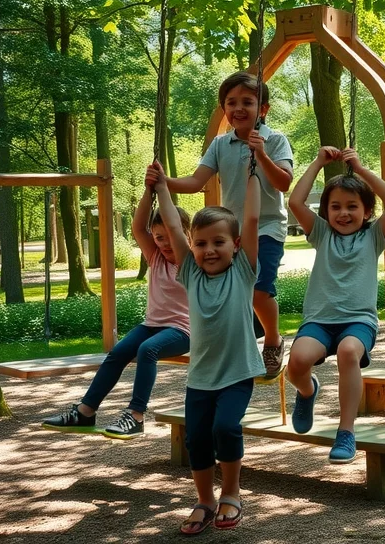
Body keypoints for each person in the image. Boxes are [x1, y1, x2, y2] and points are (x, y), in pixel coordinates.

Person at [150, 160, 265, 534]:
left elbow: (250, 220)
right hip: (200, 376)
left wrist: (252, 174)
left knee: (226, 427)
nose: (209, 250)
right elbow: (171, 225)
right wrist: (162, 187)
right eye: (200, 243)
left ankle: (231, 492)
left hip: (236, 372)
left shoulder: (244, 270)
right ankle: (205, 500)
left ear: (235, 246)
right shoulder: (190, 273)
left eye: (219, 242)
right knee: (197, 437)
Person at [164, 71, 293, 380]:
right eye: (231, 102)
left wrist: (261, 153)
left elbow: (284, 182)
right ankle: (243, 338)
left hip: (267, 227)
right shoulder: (220, 144)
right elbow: (196, 182)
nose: (238, 108)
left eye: (247, 102)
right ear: (224, 108)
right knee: (230, 291)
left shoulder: (274, 140)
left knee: (259, 289)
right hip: (230, 231)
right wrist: (163, 181)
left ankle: (273, 341)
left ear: (263, 109)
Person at [41, 189, 191, 440]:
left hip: (184, 330)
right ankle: (85, 411)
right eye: (158, 237)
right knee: (119, 352)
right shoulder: (155, 257)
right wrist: (148, 191)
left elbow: (175, 233)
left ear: (185, 232)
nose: (164, 243)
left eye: (169, 236)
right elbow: (137, 228)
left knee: (148, 350)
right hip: (153, 324)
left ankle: (136, 416)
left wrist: (163, 192)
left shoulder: (190, 261)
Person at [286, 147, 385, 463]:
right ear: (325, 212)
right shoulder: (321, 233)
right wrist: (318, 162)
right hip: (320, 320)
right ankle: (308, 390)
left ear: (366, 212)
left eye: (352, 206)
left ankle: (346, 431)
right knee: (296, 363)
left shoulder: (375, 235)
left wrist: (361, 169)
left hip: (358, 321)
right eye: (335, 206)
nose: (343, 213)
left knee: (348, 352)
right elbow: (295, 202)